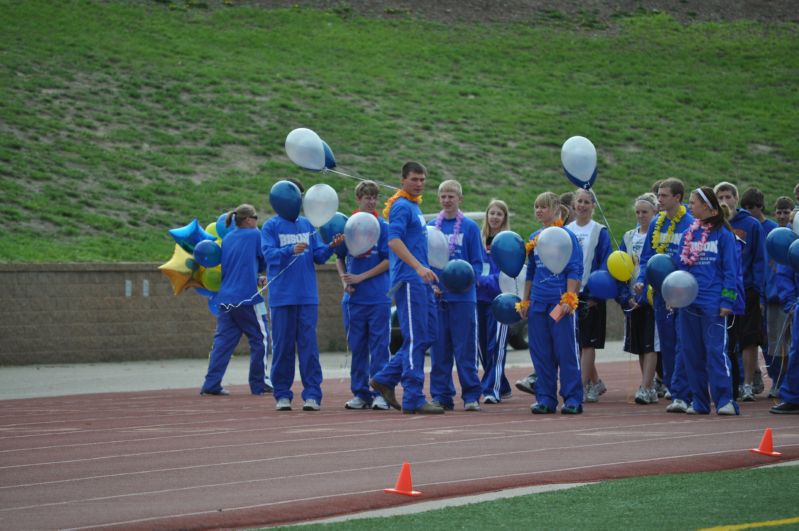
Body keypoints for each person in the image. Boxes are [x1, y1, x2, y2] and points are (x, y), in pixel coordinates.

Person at [261, 180, 344, 411]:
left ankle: (312, 395)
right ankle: (282, 395)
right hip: (281, 297)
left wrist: (331, 247)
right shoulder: (270, 226)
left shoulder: (307, 225)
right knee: (283, 348)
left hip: (307, 297)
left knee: (309, 348)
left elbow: (318, 255)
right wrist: (290, 249)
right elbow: (269, 255)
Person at [369, 161, 443, 414]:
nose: (419, 183)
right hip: (409, 280)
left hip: (421, 281)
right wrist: (418, 268)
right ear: (403, 180)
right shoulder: (401, 206)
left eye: (422, 179)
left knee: (429, 334)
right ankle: (413, 396)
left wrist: (428, 276)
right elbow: (394, 241)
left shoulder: (413, 206)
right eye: (414, 179)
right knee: (416, 338)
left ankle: (385, 378)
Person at [673, 187, 741, 415]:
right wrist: (673, 296)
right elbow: (680, 268)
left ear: (707, 206)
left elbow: (732, 271)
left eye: (693, 203)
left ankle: (725, 401)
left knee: (715, 352)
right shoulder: (687, 234)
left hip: (713, 304)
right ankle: (700, 402)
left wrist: (727, 301)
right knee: (691, 353)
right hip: (688, 304)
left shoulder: (724, 235)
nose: (690, 207)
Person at [518, 192, 584, 414]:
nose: (538, 211)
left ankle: (573, 398)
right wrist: (525, 300)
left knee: (565, 351)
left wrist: (569, 298)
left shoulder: (566, 236)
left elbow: (575, 268)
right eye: (536, 207)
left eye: (543, 207)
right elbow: (531, 272)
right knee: (541, 353)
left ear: (556, 209)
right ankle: (545, 398)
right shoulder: (535, 237)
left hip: (559, 305)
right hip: (538, 304)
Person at [635, 178, 695, 413]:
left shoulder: (689, 223)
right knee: (667, 343)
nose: (659, 199)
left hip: (682, 293)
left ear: (678, 198)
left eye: (664, 195)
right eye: (658, 195)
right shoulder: (656, 223)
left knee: (683, 341)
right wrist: (641, 281)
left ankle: (684, 391)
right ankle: (674, 388)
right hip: (660, 293)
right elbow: (647, 256)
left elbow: (690, 260)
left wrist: (678, 290)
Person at [200, 204, 270, 396]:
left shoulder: (229, 238)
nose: (257, 220)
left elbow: (237, 266)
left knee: (222, 343)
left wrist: (254, 274)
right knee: (261, 339)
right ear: (248, 220)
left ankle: (211, 384)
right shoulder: (256, 235)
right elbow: (265, 258)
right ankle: (259, 383)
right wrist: (262, 272)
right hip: (246, 298)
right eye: (255, 217)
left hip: (225, 298)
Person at [427, 180, 484, 411]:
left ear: (460, 199)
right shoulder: (432, 227)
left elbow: (479, 264)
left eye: (451, 196)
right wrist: (431, 285)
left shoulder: (469, 227)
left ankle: (471, 395)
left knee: (464, 348)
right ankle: (441, 395)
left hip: (463, 298)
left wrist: (467, 281)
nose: (447, 200)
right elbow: (426, 262)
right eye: (443, 196)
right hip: (438, 298)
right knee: (439, 349)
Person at [335, 180, 391, 410]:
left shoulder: (383, 226)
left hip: (378, 297)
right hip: (354, 299)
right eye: (366, 197)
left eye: (374, 197)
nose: (371, 201)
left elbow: (388, 260)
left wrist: (362, 277)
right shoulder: (349, 225)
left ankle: (381, 393)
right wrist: (344, 280)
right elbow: (338, 256)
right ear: (358, 199)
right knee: (357, 346)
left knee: (379, 346)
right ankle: (360, 392)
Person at [714, 181, 766, 402]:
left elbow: (759, 259)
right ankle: (725, 382)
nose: (725, 201)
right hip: (721, 291)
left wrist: (756, 287)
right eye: (720, 197)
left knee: (748, 338)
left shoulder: (751, 224)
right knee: (722, 338)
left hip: (746, 290)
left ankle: (746, 383)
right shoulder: (713, 225)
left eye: (728, 196)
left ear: (736, 198)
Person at [568, 188, 612, 403]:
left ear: (593, 206)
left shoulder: (600, 231)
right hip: (567, 295)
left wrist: (597, 293)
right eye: (580, 201)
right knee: (572, 342)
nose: (583, 205)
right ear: (573, 204)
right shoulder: (566, 230)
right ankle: (595, 382)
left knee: (587, 343)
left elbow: (606, 262)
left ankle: (582, 386)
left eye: (587, 202)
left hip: (590, 295)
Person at [741, 188, 784, 397]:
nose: (750, 212)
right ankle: (757, 374)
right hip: (756, 292)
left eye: (753, 208)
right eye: (746, 208)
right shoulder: (747, 227)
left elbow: (771, 263)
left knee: (773, 340)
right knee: (757, 337)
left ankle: (778, 380)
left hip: (773, 291)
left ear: (761, 207)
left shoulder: (771, 229)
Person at [619, 193, 660, 404]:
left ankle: (646, 385)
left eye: (645, 212)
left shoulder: (658, 236)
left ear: (654, 212)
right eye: (637, 212)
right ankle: (649, 384)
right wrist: (626, 296)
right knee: (640, 345)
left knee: (651, 343)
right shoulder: (628, 236)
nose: (641, 215)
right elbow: (620, 267)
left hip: (652, 297)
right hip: (633, 298)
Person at [477, 199, 514, 404]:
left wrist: (483, 281)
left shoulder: (509, 242)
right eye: (492, 213)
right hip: (478, 300)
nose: (495, 217)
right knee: (482, 347)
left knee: (496, 346)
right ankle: (503, 384)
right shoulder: (478, 239)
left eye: (499, 214)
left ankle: (492, 389)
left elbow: (507, 274)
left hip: (500, 302)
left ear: (504, 218)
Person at [766, 196, 795, 396]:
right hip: (773, 298)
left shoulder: (792, 242)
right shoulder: (773, 237)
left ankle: (789, 385)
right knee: (775, 343)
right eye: (779, 212)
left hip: (791, 301)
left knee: (792, 344)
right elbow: (764, 268)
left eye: (787, 212)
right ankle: (778, 381)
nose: (783, 216)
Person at [771, 261, 799, 414]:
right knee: (797, 352)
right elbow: (784, 272)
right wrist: (792, 304)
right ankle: (794, 398)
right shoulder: (793, 240)